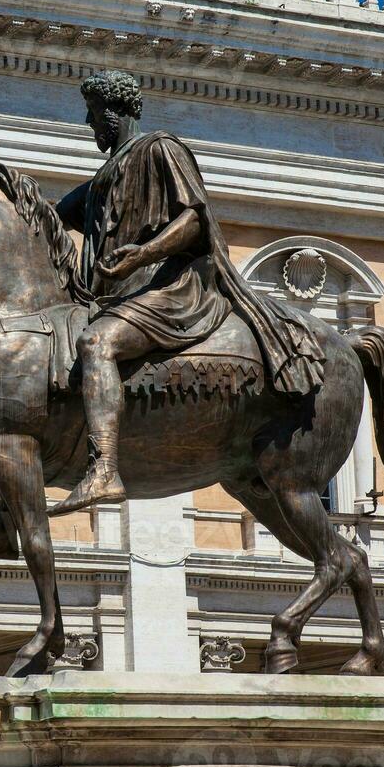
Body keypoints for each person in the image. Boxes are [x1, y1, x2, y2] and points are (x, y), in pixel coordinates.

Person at [49, 71, 325, 518]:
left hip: (170, 288)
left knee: (96, 344)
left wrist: (140, 256)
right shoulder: (103, 178)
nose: (88, 122)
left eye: (94, 113)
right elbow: (48, 219)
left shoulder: (161, 149)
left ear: (114, 113)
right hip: (122, 297)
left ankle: (104, 470)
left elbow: (196, 220)